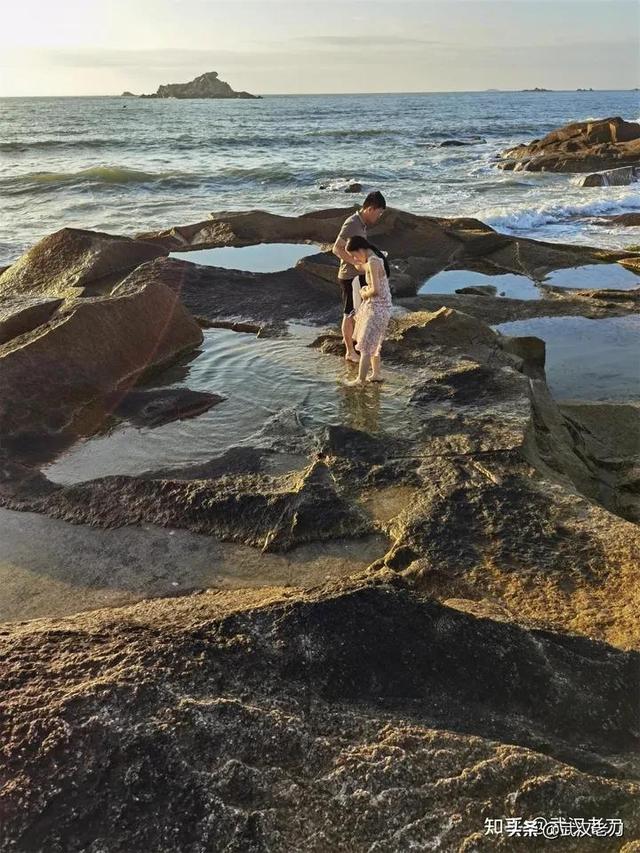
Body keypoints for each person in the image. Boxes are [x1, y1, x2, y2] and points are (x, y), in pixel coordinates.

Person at [332, 191, 387, 362]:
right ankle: (349, 351)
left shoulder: (361, 224)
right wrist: (356, 263)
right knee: (349, 312)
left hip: (359, 274)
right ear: (371, 209)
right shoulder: (352, 223)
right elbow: (336, 248)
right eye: (379, 213)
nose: (379, 217)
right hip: (350, 276)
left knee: (360, 310)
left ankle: (353, 340)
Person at [343, 235, 392, 386]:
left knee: (365, 346)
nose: (355, 258)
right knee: (374, 344)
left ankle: (361, 380)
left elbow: (376, 290)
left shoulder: (373, 261)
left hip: (377, 308)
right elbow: (364, 269)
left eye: (354, 255)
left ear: (360, 250)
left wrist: (363, 293)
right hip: (381, 307)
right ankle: (376, 374)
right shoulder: (375, 259)